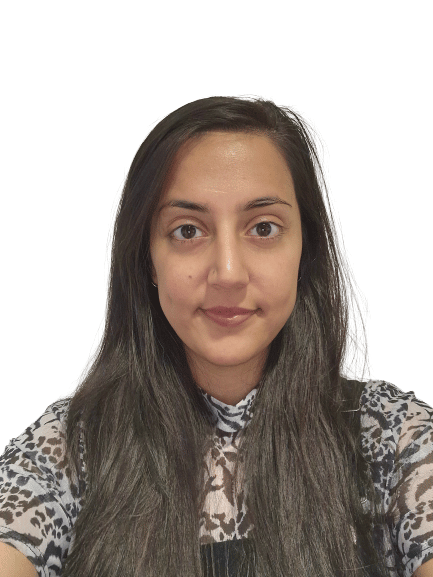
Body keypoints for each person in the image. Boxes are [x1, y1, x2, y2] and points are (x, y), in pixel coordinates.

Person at [0, 94, 432, 577]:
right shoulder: (70, 446)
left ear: (304, 252)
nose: (227, 272)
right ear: (148, 262)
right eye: (188, 231)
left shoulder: (393, 439)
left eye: (263, 227)